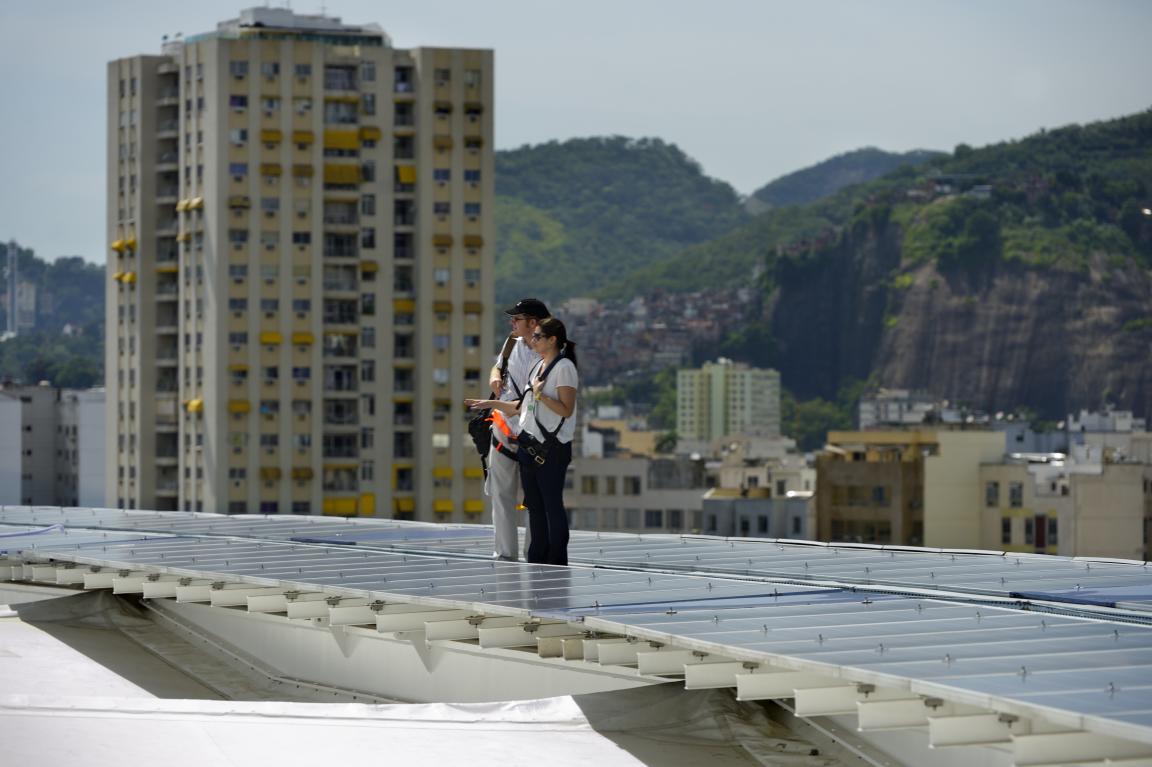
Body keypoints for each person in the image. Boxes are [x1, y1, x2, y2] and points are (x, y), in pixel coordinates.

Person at [467, 316, 578, 566]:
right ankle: (537, 558)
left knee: (552, 506)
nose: (533, 341)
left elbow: (566, 409)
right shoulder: (537, 367)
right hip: (530, 445)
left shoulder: (564, 367)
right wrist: (490, 404)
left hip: (551, 447)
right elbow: (522, 406)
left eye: (538, 337)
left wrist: (540, 395)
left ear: (552, 340)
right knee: (535, 507)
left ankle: (556, 560)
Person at [483, 298, 549, 561]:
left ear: (533, 323)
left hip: (533, 435)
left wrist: (497, 403)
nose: (512, 323)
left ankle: (534, 555)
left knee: (535, 500)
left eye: (517, 319)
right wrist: (495, 377)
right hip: (502, 431)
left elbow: (533, 400)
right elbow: (499, 364)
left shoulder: (552, 352)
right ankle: (504, 555)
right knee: (501, 497)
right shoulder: (512, 343)